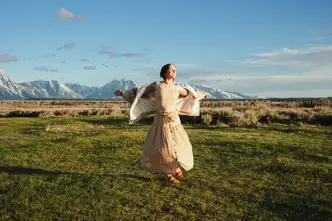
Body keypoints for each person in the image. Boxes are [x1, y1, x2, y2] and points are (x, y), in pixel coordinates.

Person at [114, 64, 207, 183]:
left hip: (174, 121)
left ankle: (176, 166)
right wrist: (123, 92)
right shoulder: (157, 85)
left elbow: (191, 94)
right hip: (160, 121)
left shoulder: (178, 88)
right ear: (164, 72)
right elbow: (140, 93)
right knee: (163, 148)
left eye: (175, 70)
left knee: (180, 145)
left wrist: (202, 94)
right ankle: (169, 174)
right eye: (171, 70)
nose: (174, 72)